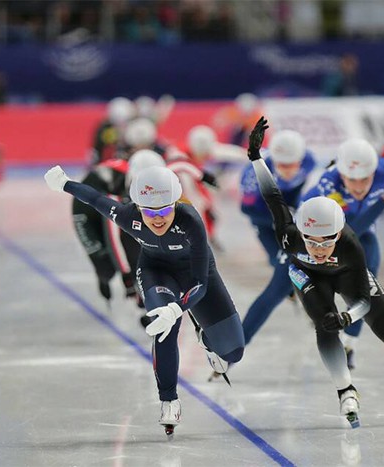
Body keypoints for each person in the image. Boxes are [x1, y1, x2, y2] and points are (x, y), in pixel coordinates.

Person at [246, 116, 384, 427]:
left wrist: (348, 318)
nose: (320, 248)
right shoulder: (291, 231)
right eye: (312, 241)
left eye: (327, 242)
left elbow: (364, 301)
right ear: (300, 232)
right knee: (324, 324)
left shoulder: (351, 244)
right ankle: (345, 388)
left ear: (340, 235)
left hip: (346, 270)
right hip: (305, 273)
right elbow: (273, 196)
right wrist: (257, 158)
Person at [44, 165, 245, 435]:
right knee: (164, 328)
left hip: (196, 275)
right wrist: (64, 183)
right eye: (150, 212)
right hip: (156, 272)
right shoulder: (128, 216)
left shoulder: (190, 221)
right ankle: (169, 399)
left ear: (176, 203)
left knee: (233, 353)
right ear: (138, 207)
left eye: (164, 210)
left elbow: (200, 283)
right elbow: (94, 198)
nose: (158, 219)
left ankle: (207, 339)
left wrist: (178, 307)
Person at [302, 78, 384, 369]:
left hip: (364, 237)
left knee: (365, 290)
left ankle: (350, 344)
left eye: (365, 179)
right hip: (329, 240)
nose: (359, 185)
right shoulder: (325, 187)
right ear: (341, 174)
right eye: (352, 180)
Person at [239, 129, 317, 346]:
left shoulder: (309, 160)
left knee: (292, 265)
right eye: (282, 165)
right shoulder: (253, 174)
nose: (288, 170)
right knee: (277, 262)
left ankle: (300, 293)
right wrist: (279, 217)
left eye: (293, 164)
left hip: (288, 211)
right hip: (263, 217)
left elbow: (304, 189)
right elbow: (246, 209)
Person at [70, 149, 165, 318]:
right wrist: (127, 276)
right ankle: (105, 279)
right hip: (86, 212)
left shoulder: (136, 178)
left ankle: (142, 298)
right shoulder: (118, 186)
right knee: (107, 267)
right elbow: (114, 235)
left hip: (105, 201)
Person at [90, 97, 136, 166]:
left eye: (124, 124)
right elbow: (97, 151)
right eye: (117, 124)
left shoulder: (134, 128)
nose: (121, 127)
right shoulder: (105, 130)